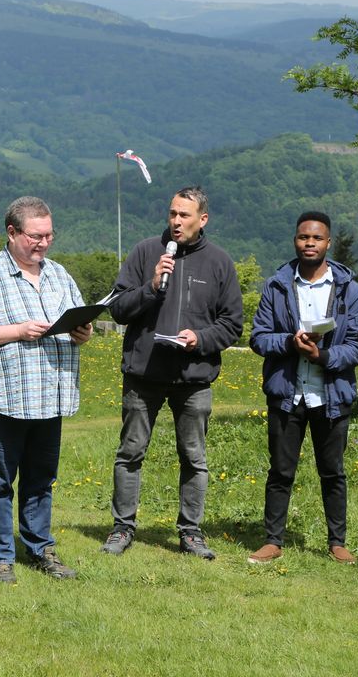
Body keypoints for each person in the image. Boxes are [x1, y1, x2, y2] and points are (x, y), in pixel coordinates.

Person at [0, 196, 93, 583]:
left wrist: (83, 331)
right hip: (5, 399)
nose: (43, 243)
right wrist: (17, 331)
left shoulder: (59, 275)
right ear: (12, 233)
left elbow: (80, 322)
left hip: (50, 396)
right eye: (35, 236)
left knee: (40, 480)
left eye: (49, 235)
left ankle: (40, 548)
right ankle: (0, 557)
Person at [101, 186, 243, 560]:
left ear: (202, 219)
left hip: (193, 377)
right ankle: (122, 528)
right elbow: (116, 309)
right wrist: (150, 288)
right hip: (143, 374)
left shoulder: (219, 263)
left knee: (193, 457)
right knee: (130, 452)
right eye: (172, 214)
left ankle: (191, 532)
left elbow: (232, 324)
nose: (176, 221)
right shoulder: (147, 252)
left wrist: (201, 337)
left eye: (184, 215)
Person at [247, 211, 358, 565]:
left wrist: (323, 355)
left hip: (331, 396)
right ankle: (273, 540)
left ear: (328, 243)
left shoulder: (349, 289)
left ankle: (337, 542)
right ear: (295, 241)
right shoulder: (277, 285)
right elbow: (259, 338)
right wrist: (289, 342)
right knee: (280, 471)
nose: (310, 243)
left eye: (317, 238)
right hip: (288, 393)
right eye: (304, 237)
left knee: (332, 472)